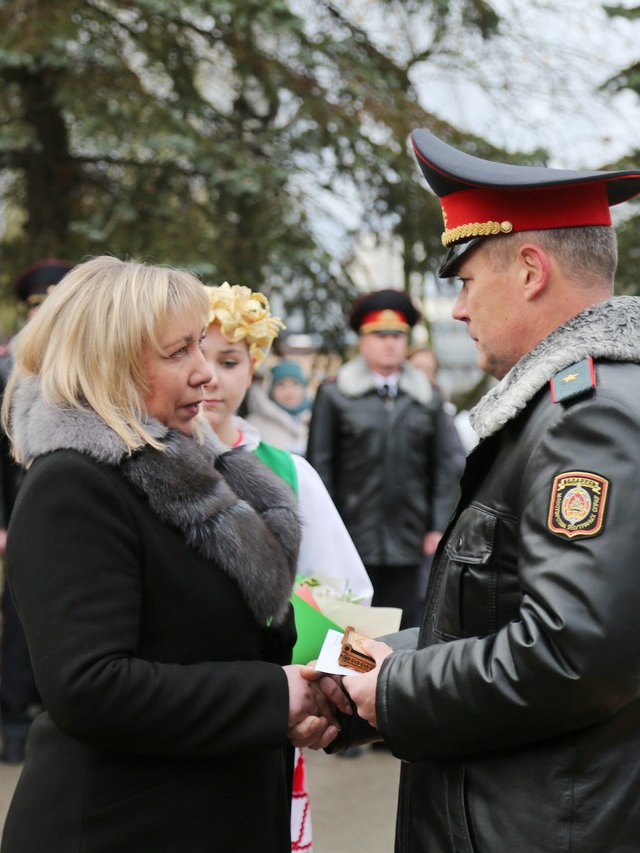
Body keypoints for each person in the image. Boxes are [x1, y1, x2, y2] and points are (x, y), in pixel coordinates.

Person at [329, 129, 640, 851]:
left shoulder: (591, 421)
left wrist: (392, 690)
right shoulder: (610, 398)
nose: (456, 308)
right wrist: (355, 669)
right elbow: (500, 622)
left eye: (466, 279)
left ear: (532, 271)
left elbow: (573, 658)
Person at [0, 257, 347, 852]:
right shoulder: (74, 485)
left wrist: (336, 682)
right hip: (124, 827)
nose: (206, 374)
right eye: (179, 351)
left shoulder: (195, 470)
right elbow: (90, 687)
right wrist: (273, 695)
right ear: (109, 362)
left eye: (205, 351)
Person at [201, 280, 374, 850]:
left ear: (253, 368)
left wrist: (330, 698)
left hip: (271, 712)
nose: (211, 378)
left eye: (229, 360)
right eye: (194, 355)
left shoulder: (289, 473)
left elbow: (351, 606)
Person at [306, 289, 459, 629]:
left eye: (397, 336)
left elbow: (442, 467)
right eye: (379, 335)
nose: (389, 343)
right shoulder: (335, 394)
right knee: (352, 626)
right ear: (362, 341)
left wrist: (437, 526)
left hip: (410, 534)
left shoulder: (426, 397)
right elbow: (320, 466)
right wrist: (327, 528)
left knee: (406, 624)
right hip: (351, 533)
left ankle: (395, 681)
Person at [0, 258, 73, 764]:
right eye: (39, 308)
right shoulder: (1, 367)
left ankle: (54, 717)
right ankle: (13, 726)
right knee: (17, 625)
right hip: (21, 515)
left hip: (79, 521)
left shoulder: (89, 365)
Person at [246, 360, 313, 455]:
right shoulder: (254, 425)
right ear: (271, 389)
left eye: (295, 384)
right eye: (281, 385)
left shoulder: (316, 419)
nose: (289, 391)